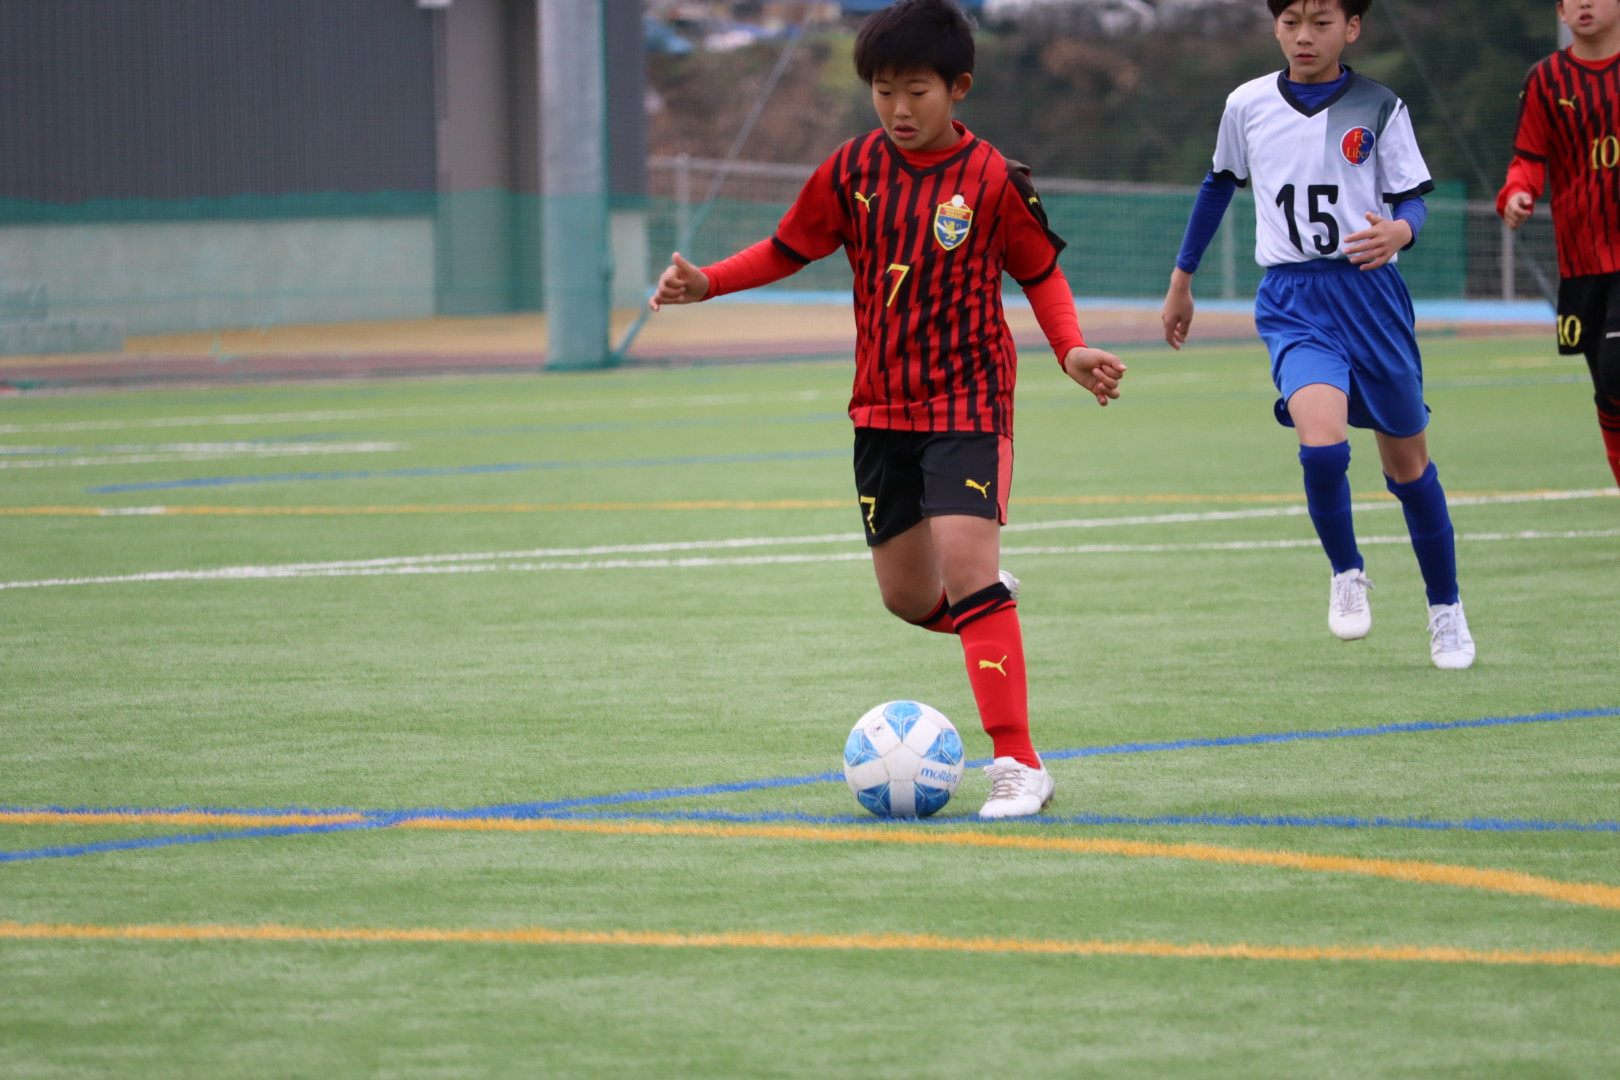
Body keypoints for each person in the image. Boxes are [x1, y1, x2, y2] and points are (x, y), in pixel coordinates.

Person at [649, 0, 1127, 818]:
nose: (898, 109)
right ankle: (985, 606)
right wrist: (709, 282)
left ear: (958, 88)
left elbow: (1040, 272)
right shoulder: (851, 170)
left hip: (969, 402)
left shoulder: (992, 181)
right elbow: (789, 247)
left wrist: (1070, 349)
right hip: (880, 410)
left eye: (916, 91)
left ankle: (1019, 763)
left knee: (968, 573)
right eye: (883, 91)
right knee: (908, 598)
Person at [1160, 0, 1476, 670]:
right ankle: (1346, 570)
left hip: (1372, 298)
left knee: (1408, 470)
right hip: (1294, 300)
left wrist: (1401, 230)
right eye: (1291, 22)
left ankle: (1445, 607)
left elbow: (1412, 197)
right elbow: (1217, 186)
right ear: (1275, 25)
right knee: (1322, 446)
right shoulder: (1246, 104)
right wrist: (1181, 279)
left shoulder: (1381, 106)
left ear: (1352, 27)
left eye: (1322, 22)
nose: (1304, 36)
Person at [1497, 0, 1620, 491]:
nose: (1584, 3)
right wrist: (1516, 193)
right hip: (1582, 262)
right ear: (1561, 12)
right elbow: (1527, 159)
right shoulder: (1544, 80)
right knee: (1608, 393)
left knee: (1617, 369)